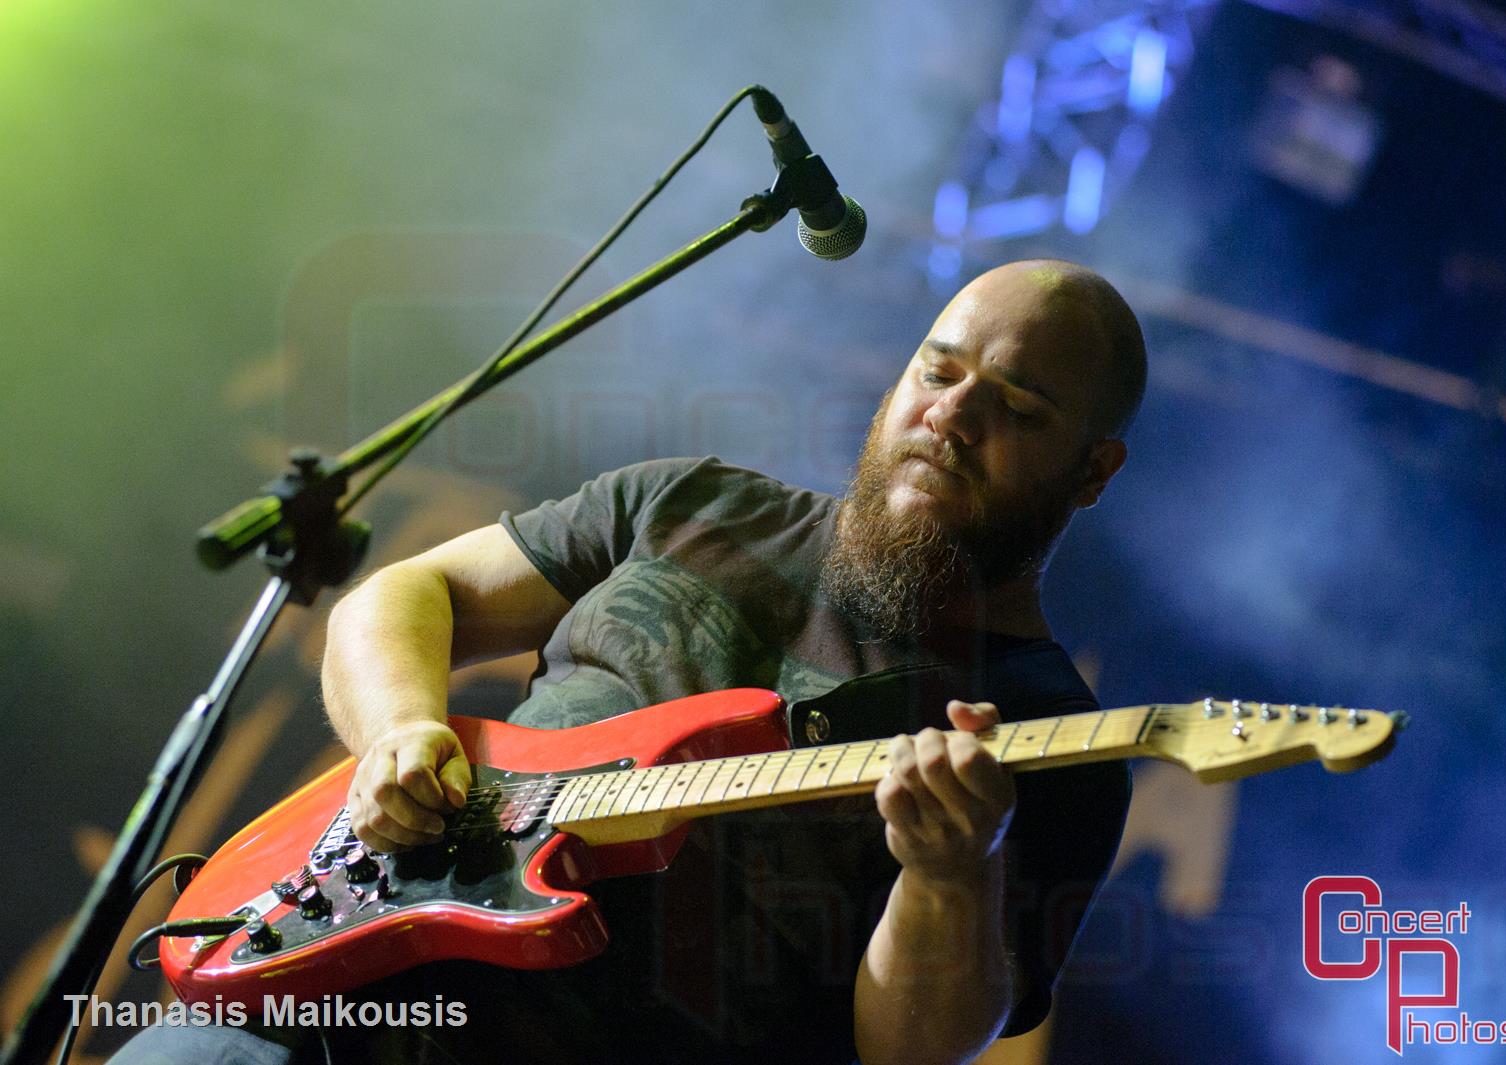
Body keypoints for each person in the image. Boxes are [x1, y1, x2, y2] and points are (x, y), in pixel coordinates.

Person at [111, 258, 1146, 1064]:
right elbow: (408, 594)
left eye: (1017, 408)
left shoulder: (1052, 740)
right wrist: (400, 733)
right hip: (314, 994)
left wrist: (951, 873)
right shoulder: (692, 504)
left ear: (1093, 471)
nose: (953, 414)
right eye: (939, 369)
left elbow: (911, 1048)